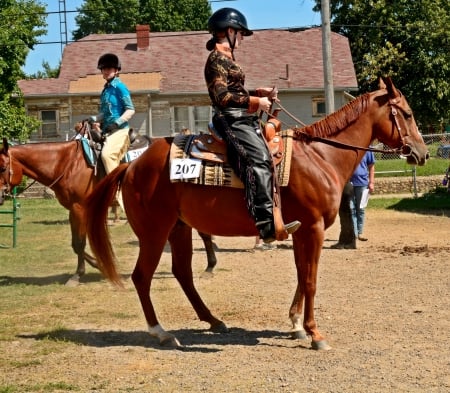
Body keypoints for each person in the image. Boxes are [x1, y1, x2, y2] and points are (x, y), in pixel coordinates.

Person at [204, 7, 300, 243]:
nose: (242, 39)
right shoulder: (216, 59)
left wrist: (258, 92)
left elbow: (235, 91)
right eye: (241, 33)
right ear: (229, 31)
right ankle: (265, 224)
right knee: (259, 159)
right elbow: (222, 97)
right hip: (230, 120)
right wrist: (257, 101)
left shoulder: (227, 59)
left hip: (242, 118)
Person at [89, 53, 135, 175]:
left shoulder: (120, 87)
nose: (106, 71)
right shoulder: (105, 91)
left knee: (107, 155)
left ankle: (116, 189)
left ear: (116, 70)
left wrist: (116, 123)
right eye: (104, 68)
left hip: (120, 131)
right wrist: (92, 119)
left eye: (109, 68)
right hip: (107, 132)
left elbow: (130, 109)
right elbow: (104, 114)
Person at [350, 151, 375, 241]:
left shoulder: (368, 150)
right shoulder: (348, 146)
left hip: (363, 183)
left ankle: (360, 233)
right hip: (348, 184)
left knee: (361, 209)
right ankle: (354, 233)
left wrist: (371, 182)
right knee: (351, 209)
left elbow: (371, 166)